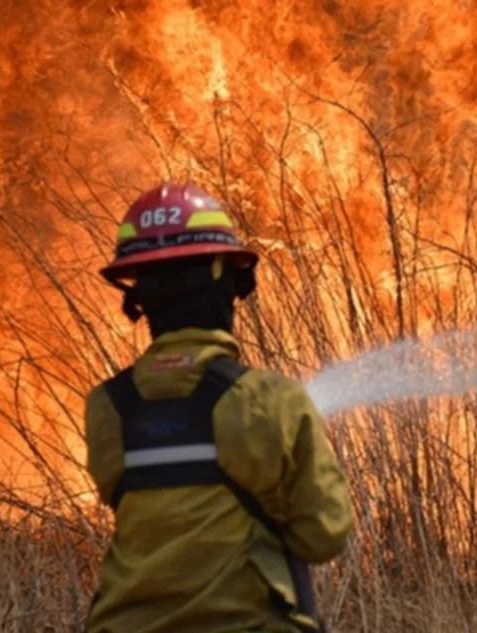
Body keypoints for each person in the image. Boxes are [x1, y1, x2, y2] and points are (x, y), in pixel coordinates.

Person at [83, 182, 353, 633]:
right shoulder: (271, 401)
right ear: (224, 278)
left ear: (138, 295)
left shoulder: (107, 408)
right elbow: (323, 534)